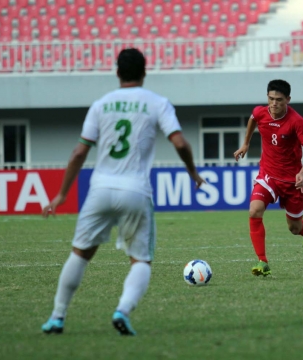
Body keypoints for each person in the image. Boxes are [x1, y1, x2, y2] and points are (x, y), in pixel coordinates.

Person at [40, 48, 205, 336]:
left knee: (80, 254)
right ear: (145, 72)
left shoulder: (101, 104)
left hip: (100, 189)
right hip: (135, 191)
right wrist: (193, 173)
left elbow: (79, 152)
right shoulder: (157, 102)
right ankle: (123, 310)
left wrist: (62, 194)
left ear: (117, 72)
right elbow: (180, 143)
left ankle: (57, 317)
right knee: (140, 261)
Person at [233, 79, 303, 277]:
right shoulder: (261, 112)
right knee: (254, 210)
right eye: (271, 99)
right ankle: (262, 261)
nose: (274, 103)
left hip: (292, 182)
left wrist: (302, 172)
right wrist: (246, 143)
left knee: (295, 228)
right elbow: (253, 118)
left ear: (288, 99)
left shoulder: (297, 121)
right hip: (268, 175)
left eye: (279, 100)